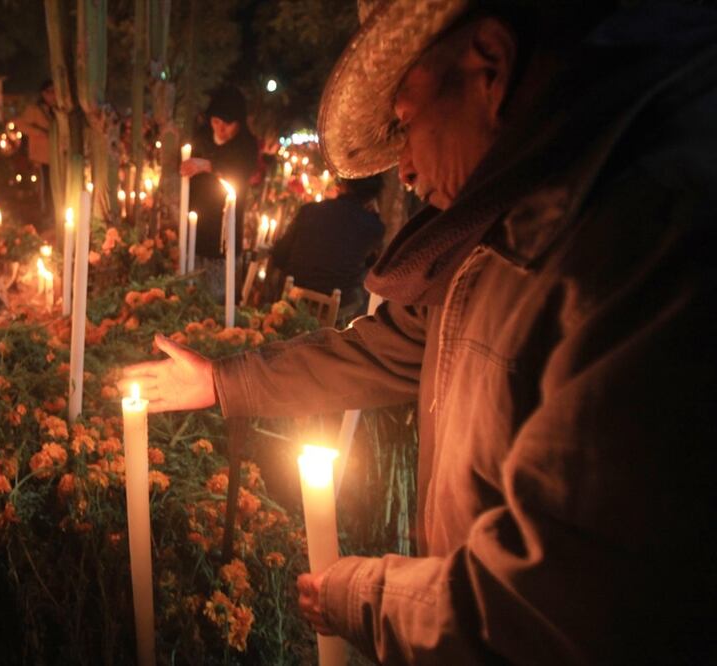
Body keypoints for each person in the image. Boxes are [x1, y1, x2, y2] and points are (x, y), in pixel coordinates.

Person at [124, 0, 717, 662]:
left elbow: (563, 604)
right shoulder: (505, 231)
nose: (403, 169)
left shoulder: (644, 241)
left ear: (488, 68)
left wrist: (363, 597)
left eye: (405, 124)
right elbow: (380, 347)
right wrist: (219, 380)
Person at [182, 86, 259, 302]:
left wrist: (207, 165)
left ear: (239, 123)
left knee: (217, 297)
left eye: (228, 124)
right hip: (196, 226)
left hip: (225, 229)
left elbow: (240, 170)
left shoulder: (246, 145)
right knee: (191, 292)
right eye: (216, 122)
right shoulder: (201, 138)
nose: (221, 129)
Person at [270, 175, 385, 318]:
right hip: (335, 312)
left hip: (290, 300)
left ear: (344, 184)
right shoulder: (374, 227)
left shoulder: (309, 210)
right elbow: (372, 266)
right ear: (374, 196)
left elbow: (279, 256)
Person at [16, 80, 56, 218]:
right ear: (43, 93)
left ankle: (54, 211)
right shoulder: (34, 110)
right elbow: (21, 124)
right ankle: (45, 213)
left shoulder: (58, 110)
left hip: (56, 156)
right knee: (45, 186)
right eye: (49, 92)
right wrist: (40, 132)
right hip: (42, 156)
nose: (53, 96)